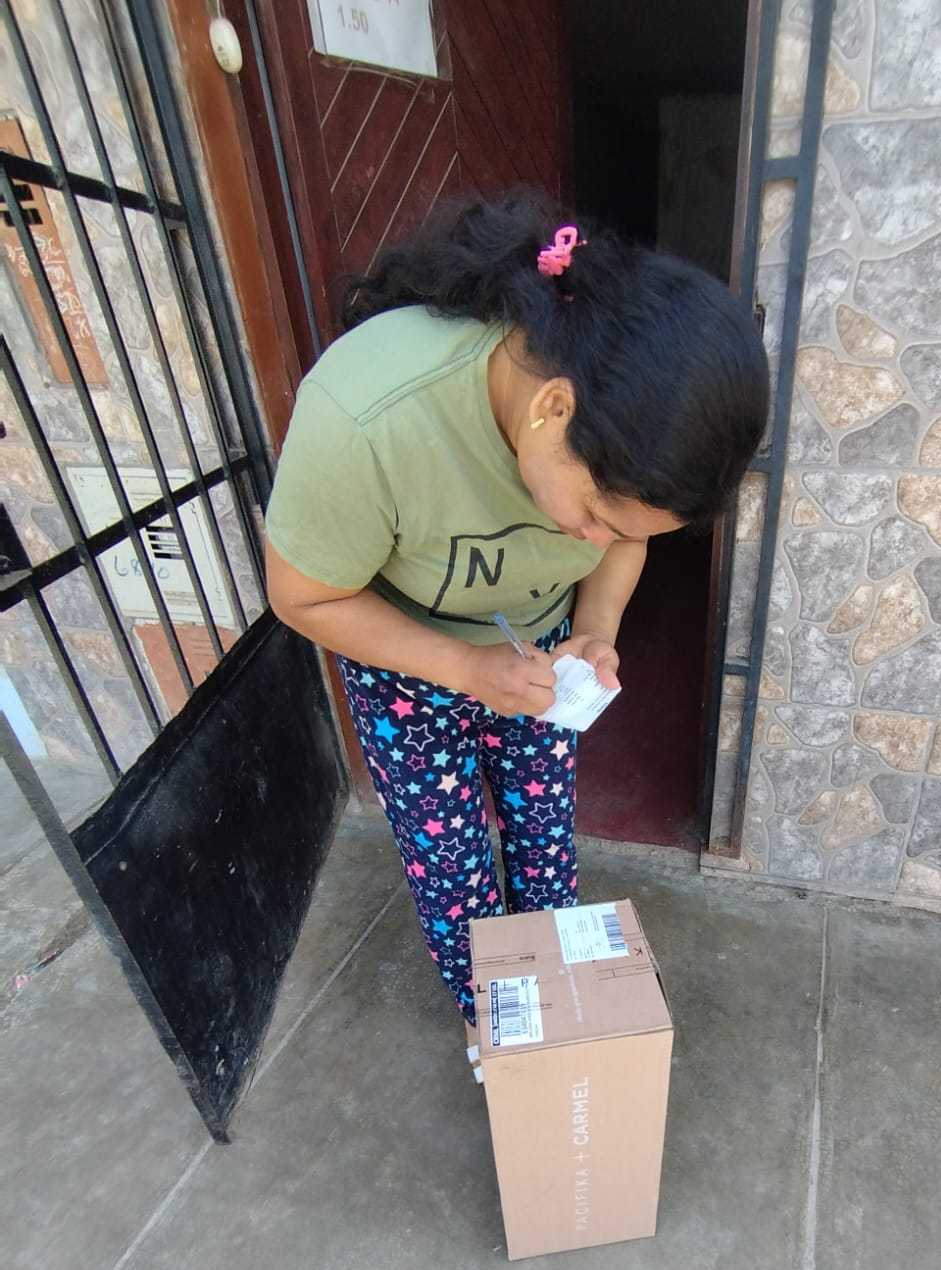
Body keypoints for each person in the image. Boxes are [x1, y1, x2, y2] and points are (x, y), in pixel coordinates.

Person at [265, 188, 768, 1041]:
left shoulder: (607, 469)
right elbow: (302, 594)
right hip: (405, 671)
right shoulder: (367, 417)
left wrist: (596, 629)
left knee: (544, 835)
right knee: (452, 866)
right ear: (554, 408)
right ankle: (495, 1027)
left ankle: (553, 1007)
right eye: (595, 514)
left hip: (537, 652)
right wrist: (465, 669)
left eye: (621, 529)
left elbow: (625, 543)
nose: (596, 538)